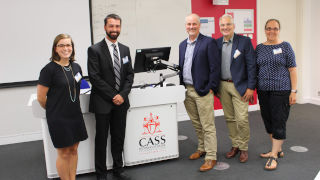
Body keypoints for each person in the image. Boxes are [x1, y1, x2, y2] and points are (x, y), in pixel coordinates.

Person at [87, 14, 134, 180]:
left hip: (121, 103)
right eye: (111, 26)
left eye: (117, 26)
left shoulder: (125, 49)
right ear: (105, 27)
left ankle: (118, 170)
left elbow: (129, 75)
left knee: (118, 137)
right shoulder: (94, 50)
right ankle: (101, 174)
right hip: (102, 103)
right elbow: (95, 77)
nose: (114, 29)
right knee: (101, 139)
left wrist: (122, 95)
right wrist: (114, 95)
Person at [37, 34, 88, 180]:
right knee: (64, 153)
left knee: (73, 149)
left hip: (75, 115)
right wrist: (54, 110)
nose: (66, 48)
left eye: (68, 45)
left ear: (72, 47)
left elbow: (80, 86)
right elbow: (41, 98)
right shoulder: (48, 70)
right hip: (58, 117)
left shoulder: (76, 67)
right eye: (62, 45)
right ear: (55, 48)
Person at [179, 13, 221, 172]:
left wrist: (211, 87)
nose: (191, 27)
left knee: (207, 125)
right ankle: (202, 148)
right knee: (197, 123)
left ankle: (211, 157)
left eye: (194, 24)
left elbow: (215, 68)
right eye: (188, 24)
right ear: (185, 26)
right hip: (187, 90)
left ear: (199, 25)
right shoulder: (182, 44)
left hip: (202, 90)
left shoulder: (208, 42)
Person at [256, 19, 297, 170]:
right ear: (264, 30)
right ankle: (277, 150)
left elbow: (292, 70)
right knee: (269, 121)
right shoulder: (259, 48)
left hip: (281, 90)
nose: (271, 31)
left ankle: (273, 156)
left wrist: (293, 91)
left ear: (279, 30)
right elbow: (256, 69)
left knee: (279, 121)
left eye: (275, 28)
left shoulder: (285, 46)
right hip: (263, 90)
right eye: (268, 28)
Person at [216, 14, 256, 163]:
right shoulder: (217, 43)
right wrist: (215, 86)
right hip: (223, 85)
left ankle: (244, 147)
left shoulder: (244, 41)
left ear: (233, 26)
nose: (225, 28)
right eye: (222, 25)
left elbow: (252, 65)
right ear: (220, 27)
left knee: (242, 119)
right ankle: (235, 145)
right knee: (230, 118)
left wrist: (251, 87)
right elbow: (214, 66)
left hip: (240, 86)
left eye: (228, 25)